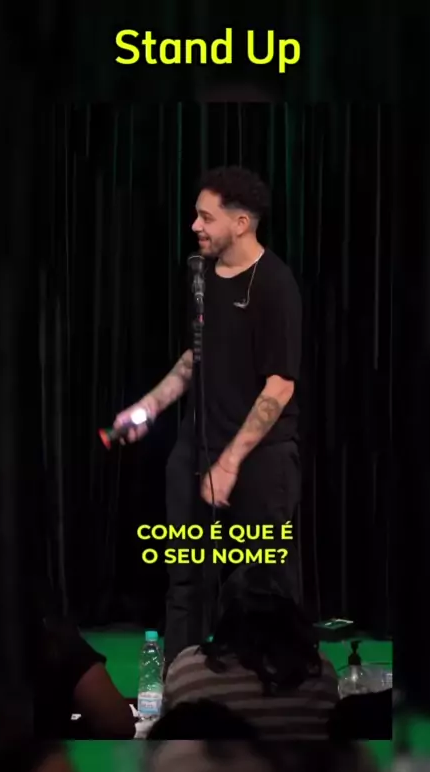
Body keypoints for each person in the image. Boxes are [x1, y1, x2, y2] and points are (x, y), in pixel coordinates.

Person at [114, 166, 302, 667]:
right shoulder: (200, 275)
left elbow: (280, 385)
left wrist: (230, 462)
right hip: (195, 448)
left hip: (259, 459)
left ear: (240, 223)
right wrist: (149, 407)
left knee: (259, 581)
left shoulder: (275, 284)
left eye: (206, 217)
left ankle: (267, 686)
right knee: (186, 579)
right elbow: (195, 358)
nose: (195, 226)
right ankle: (183, 685)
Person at [162, 564, 339, 740]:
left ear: (224, 614)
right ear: (292, 614)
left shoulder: (187, 670)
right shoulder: (320, 670)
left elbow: (163, 741)